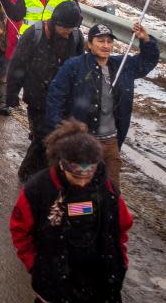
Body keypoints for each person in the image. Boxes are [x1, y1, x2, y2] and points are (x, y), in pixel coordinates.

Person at [10, 120, 133, 303]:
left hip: (101, 286)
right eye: (75, 176)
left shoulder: (106, 189)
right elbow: (20, 231)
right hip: (55, 287)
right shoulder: (38, 190)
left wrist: (118, 262)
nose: (82, 183)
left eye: (88, 176)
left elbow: (121, 228)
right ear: (61, 164)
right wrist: (37, 266)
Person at [46, 22, 158, 189]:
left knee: (111, 192)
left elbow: (147, 61)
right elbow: (56, 97)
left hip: (111, 143)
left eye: (109, 41)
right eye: (100, 41)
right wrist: (61, 133)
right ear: (90, 44)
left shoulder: (122, 66)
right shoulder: (74, 66)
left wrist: (146, 40)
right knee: (80, 190)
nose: (106, 46)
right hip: (83, 142)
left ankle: (106, 214)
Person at [7, 0, 85, 182]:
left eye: (72, 28)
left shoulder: (76, 36)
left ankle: (45, 175)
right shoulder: (34, 34)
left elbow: (80, 66)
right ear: (55, 22)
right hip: (37, 97)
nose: (68, 32)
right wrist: (11, 94)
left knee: (57, 138)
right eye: (65, 28)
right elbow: (17, 66)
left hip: (63, 99)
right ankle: (27, 174)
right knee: (43, 137)